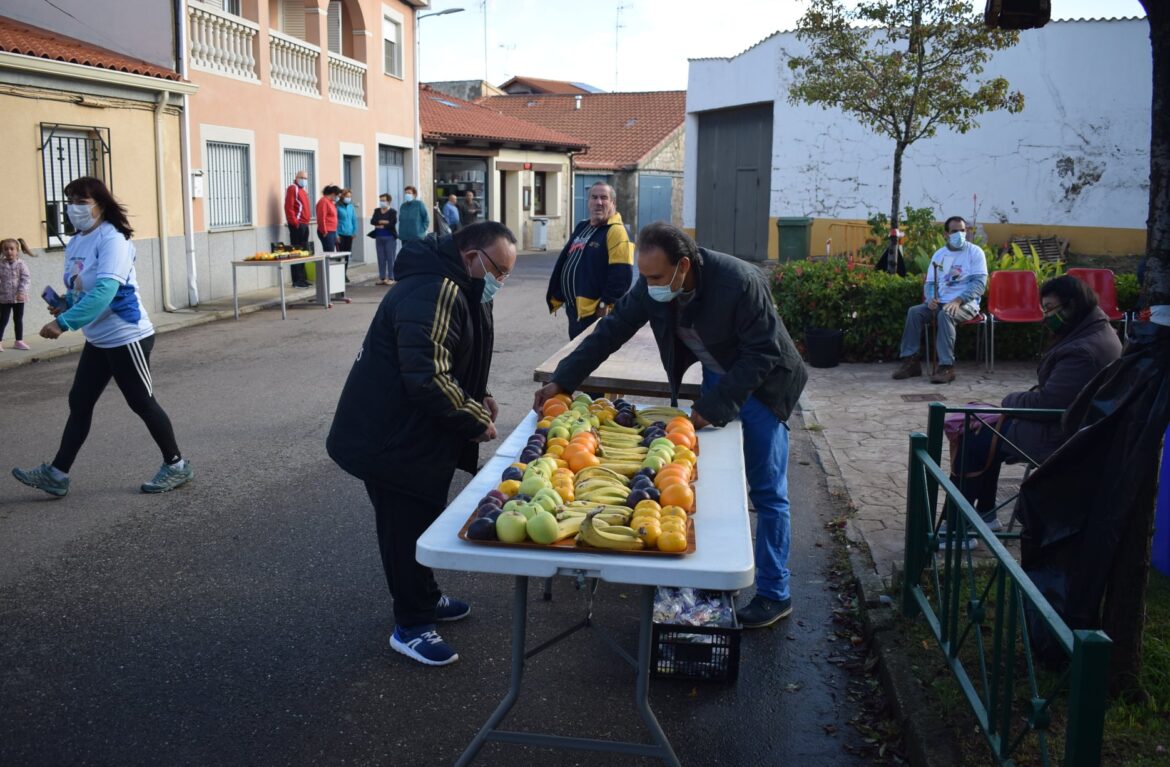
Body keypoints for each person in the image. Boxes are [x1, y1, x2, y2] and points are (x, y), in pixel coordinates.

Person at [532, 223, 808, 628]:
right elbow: (610, 331)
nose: (649, 286)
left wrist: (712, 408)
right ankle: (713, 576)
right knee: (709, 482)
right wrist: (564, 378)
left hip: (765, 384)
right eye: (644, 277)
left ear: (683, 266)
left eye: (656, 277)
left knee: (767, 490)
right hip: (719, 377)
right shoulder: (653, 285)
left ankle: (774, 591)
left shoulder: (740, 282)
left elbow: (762, 352)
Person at [326, 221, 518, 666]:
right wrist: (472, 419)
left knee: (421, 516)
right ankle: (411, 625)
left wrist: (479, 391)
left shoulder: (461, 284)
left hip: (412, 433)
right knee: (403, 525)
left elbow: (455, 352)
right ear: (471, 257)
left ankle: (426, 598)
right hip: (387, 438)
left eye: (506, 275)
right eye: (499, 272)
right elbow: (428, 376)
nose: (500, 283)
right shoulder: (433, 289)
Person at [12, 177, 193, 498]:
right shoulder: (78, 241)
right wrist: (65, 303)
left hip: (127, 335)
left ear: (100, 205)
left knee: (141, 402)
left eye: (81, 202)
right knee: (79, 402)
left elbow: (106, 290)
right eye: (70, 202)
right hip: (99, 337)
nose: (73, 209)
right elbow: (82, 288)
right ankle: (57, 474)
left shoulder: (114, 240)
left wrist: (65, 322)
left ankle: (177, 465)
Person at [948, 274, 1123, 528]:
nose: (1046, 316)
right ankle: (985, 516)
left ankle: (954, 526)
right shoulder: (1096, 330)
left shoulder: (1082, 350)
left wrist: (1011, 401)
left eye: (1050, 309)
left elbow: (1048, 403)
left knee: (976, 436)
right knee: (984, 427)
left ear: (1072, 305)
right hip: (1078, 425)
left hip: (1067, 435)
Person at [892, 216, 988, 384]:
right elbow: (930, 282)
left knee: (946, 314)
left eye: (962, 230)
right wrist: (930, 298)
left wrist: (958, 300)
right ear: (946, 234)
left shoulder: (975, 252)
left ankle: (946, 366)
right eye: (954, 231)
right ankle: (911, 362)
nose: (959, 234)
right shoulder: (940, 254)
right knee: (914, 312)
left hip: (966, 304)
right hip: (940, 302)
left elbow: (979, 284)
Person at [546, 181, 635, 339]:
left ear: (613, 203)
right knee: (577, 352)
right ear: (588, 202)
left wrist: (605, 303)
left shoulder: (617, 231)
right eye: (594, 197)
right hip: (576, 309)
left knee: (588, 357)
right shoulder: (583, 226)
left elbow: (621, 276)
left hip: (594, 311)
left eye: (604, 198)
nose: (598, 202)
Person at [0, 237, 32, 351]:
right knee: (3, 319)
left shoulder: (21, 264)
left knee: (18, 319)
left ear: (17, 250)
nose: (9, 252)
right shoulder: (1, 264)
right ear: (2, 251)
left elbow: (26, 278)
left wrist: (21, 291)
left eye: (11, 249)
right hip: (4, 298)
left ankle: (19, 341)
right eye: (6, 249)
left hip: (19, 298)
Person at [284, 169, 312, 288]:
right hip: (298, 224)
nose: (304, 180)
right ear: (297, 178)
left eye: (306, 178)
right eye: (302, 178)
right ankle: (296, 280)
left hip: (304, 224)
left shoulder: (302, 191)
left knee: (303, 251)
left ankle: (302, 278)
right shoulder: (293, 188)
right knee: (296, 252)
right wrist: (295, 222)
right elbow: (288, 207)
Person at [369, 193, 398, 285]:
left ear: (388, 201)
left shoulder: (393, 212)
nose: (382, 202)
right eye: (381, 200)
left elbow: (392, 223)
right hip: (378, 237)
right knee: (381, 258)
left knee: (390, 258)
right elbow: (373, 221)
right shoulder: (377, 211)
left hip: (389, 237)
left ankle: (391, 277)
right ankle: (382, 278)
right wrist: (382, 221)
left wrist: (381, 224)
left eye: (384, 200)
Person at [336, 187, 357, 283]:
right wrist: (336, 234)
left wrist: (354, 232)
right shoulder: (337, 206)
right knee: (340, 256)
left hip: (349, 234)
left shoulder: (351, 207)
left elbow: (354, 220)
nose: (349, 198)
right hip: (340, 234)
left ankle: (344, 274)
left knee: (347, 255)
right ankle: (339, 274)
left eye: (350, 196)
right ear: (342, 196)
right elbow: (334, 221)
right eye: (347, 196)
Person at [316, 184, 340, 253]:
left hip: (332, 231)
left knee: (332, 251)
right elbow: (321, 217)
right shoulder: (324, 201)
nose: (337, 198)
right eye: (337, 196)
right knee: (329, 252)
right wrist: (324, 231)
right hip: (327, 231)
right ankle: (327, 264)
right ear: (333, 194)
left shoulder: (331, 202)